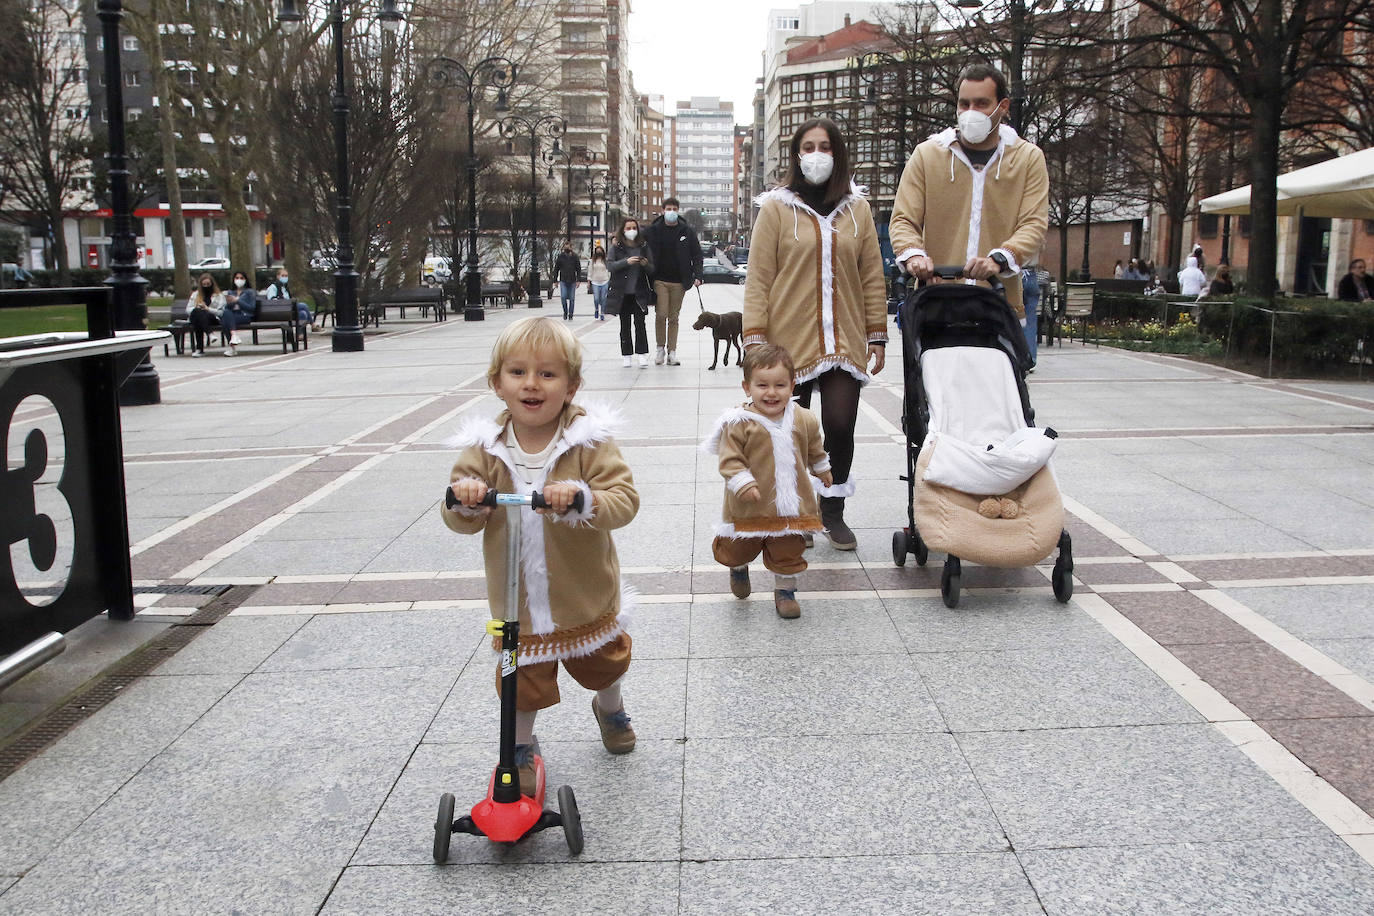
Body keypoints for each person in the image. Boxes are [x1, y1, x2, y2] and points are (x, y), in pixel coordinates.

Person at [442, 316, 640, 795]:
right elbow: (455, 516)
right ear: (497, 383)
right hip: (519, 603)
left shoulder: (588, 443)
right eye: (518, 372)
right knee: (520, 679)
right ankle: (519, 750)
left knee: (604, 665)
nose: (532, 384)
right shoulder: (485, 448)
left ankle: (609, 706)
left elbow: (624, 499)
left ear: (572, 386)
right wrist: (465, 497)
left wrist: (581, 499)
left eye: (548, 374)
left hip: (583, 591)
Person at [744, 117, 887, 551]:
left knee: (840, 426)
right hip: (788, 343)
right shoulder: (776, 208)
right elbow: (759, 276)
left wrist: (876, 333)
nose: (817, 154)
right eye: (808, 147)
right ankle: (795, 512)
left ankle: (832, 511)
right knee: (788, 432)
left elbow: (871, 274)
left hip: (843, 340)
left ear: (837, 153)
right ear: (796, 155)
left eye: (825, 146)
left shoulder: (857, 208)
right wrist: (754, 338)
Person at [890, 62, 1050, 327]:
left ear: (1003, 107)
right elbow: (904, 219)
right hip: (936, 302)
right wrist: (914, 254)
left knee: (998, 369)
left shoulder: (1027, 159)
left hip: (999, 305)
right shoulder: (927, 156)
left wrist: (1000, 258)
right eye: (964, 104)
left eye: (981, 103)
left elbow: (1033, 224)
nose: (970, 112)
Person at [703, 344, 831, 618]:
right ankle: (738, 568)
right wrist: (743, 482)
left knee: (788, 551)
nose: (771, 393)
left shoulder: (804, 418)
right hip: (748, 506)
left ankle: (785, 592)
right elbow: (729, 459)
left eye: (780, 385)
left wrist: (822, 469)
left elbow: (814, 448)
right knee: (738, 549)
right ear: (747, 387)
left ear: (792, 385)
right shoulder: (738, 423)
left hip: (791, 508)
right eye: (762, 385)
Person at [643, 196, 703, 366]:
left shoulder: (686, 231)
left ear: (678, 211)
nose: (671, 212)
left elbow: (697, 254)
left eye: (674, 209)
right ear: (663, 211)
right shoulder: (653, 230)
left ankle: (672, 351)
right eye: (668, 209)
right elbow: (637, 242)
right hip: (659, 279)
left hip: (679, 281)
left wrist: (698, 275)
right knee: (661, 314)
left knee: (674, 317)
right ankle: (660, 348)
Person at [605, 218, 655, 368]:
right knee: (624, 324)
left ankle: (642, 354)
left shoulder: (644, 246)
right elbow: (610, 266)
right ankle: (626, 355)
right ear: (623, 230)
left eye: (634, 227)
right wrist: (626, 262)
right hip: (622, 292)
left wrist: (645, 264)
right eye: (628, 228)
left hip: (639, 292)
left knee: (640, 324)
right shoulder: (616, 247)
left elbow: (652, 268)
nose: (631, 230)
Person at [221, 270, 258, 356]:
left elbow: (251, 308)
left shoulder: (250, 292)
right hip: (233, 315)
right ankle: (234, 337)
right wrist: (229, 301)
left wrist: (238, 301)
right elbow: (227, 307)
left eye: (241, 278)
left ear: (245, 280)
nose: (239, 280)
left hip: (245, 315)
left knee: (226, 320)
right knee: (226, 315)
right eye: (237, 278)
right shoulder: (231, 292)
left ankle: (232, 347)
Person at [187, 272, 224, 357]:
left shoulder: (219, 296)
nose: (206, 286)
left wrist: (208, 309)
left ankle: (199, 349)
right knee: (198, 313)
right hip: (196, 316)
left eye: (208, 284)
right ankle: (210, 333)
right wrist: (197, 307)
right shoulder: (195, 294)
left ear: (212, 284)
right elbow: (188, 309)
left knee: (200, 318)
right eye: (204, 284)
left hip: (212, 318)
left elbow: (220, 312)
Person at [1021, 261, 1040, 370]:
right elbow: (1040, 262)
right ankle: (1031, 358)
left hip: (1015, 274)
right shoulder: (1037, 243)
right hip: (1032, 276)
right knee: (1030, 320)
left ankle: (1019, 356)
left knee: (1014, 318)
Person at [554, 242, 581, 320]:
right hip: (563, 280)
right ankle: (565, 312)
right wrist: (555, 280)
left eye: (568, 247)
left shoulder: (575, 257)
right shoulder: (560, 256)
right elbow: (556, 269)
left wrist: (578, 280)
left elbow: (578, 269)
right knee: (563, 297)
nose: (567, 249)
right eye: (565, 247)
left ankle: (571, 314)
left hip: (572, 280)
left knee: (572, 299)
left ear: (571, 248)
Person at [586, 244, 610, 320]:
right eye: (597, 251)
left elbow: (609, 270)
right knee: (596, 298)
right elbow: (590, 271)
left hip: (604, 281)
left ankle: (602, 312)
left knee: (603, 298)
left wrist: (609, 279)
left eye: (600, 251)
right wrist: (589, 281)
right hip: (595, 281)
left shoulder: (605, 261)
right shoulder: (592, 261)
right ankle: (596, 309)